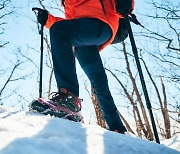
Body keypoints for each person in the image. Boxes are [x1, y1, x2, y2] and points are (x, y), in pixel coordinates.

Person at [33, 0, 132, 133]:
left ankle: (69, 99)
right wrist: (48, 20)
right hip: (84, 37)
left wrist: (126, 3)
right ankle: (116, 127)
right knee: (99, 82)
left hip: (101, 25)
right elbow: (72, 23)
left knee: (59, 30)